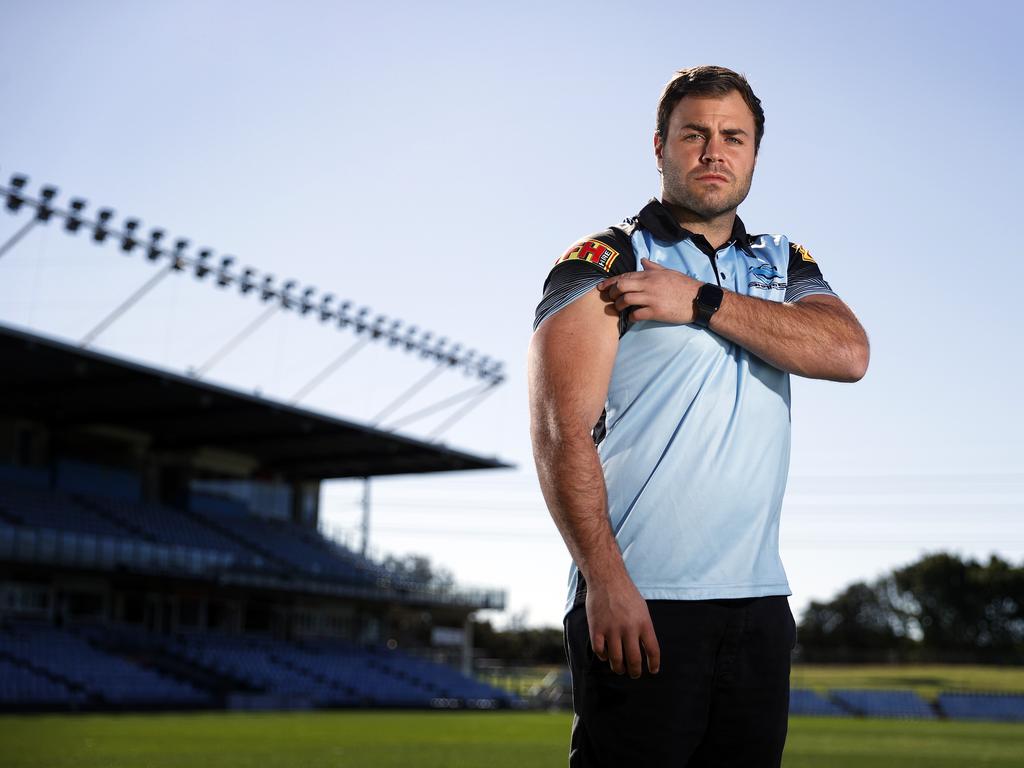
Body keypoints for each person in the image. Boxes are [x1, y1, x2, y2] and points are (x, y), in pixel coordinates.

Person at [528, 65, 869, 767]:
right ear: (660, 147)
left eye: (733, 137)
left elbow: (847, 352)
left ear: (752, 154)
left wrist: (702, 301)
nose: (715, 151)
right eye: (695, 134)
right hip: (642, 600)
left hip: (760, 607)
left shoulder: (783, 260)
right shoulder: (606, 259)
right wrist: (605, 580)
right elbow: (560, 434)